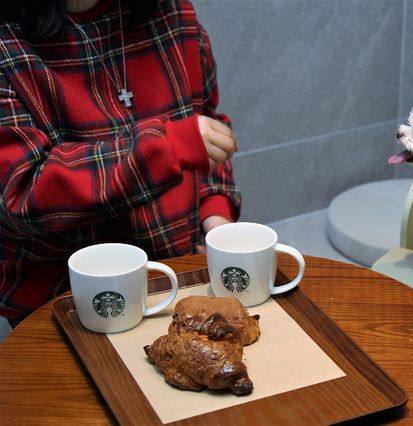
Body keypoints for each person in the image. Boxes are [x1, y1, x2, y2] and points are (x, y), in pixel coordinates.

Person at [0, 0, 241, 326]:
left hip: (178, 268)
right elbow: (22, 191)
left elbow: (206, 127)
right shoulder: (8, 44)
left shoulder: (172, 13)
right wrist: (163, 148)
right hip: (67, 294)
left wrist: (216, 220)